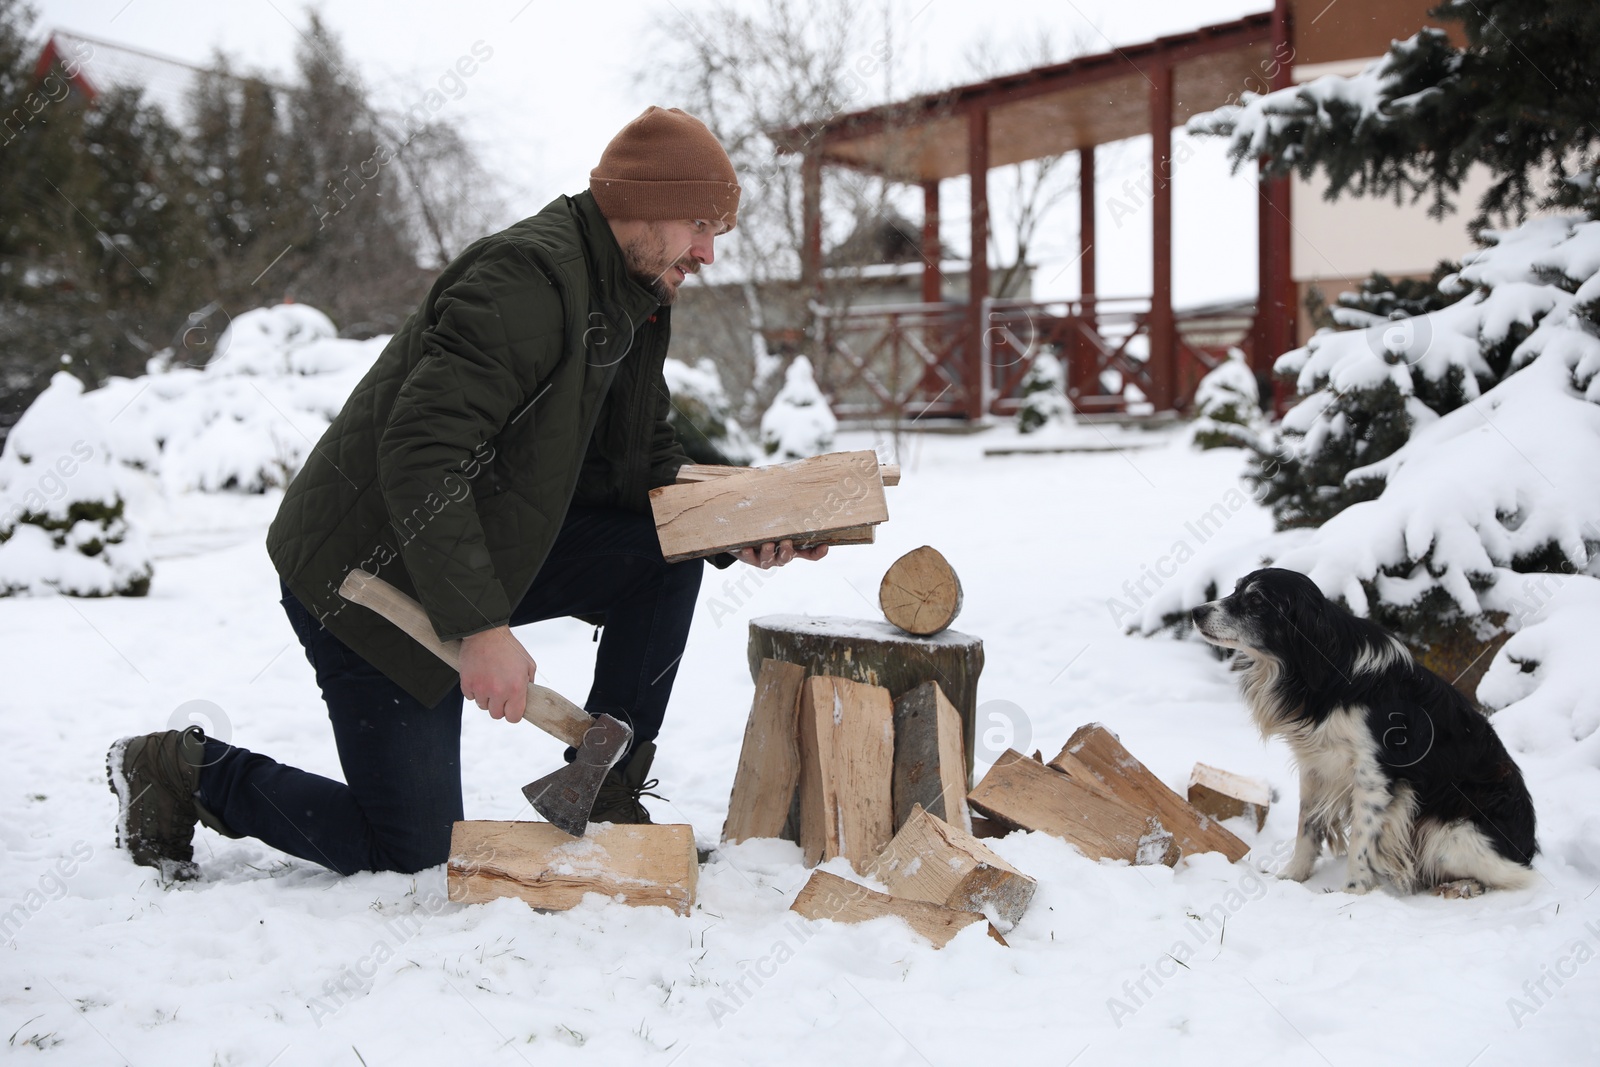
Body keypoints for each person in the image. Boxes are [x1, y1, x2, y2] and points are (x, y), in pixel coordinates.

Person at [106, 106, 825, 880]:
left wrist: (739, 520)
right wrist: (481, 628)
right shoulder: (525, 279)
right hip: (364, 571)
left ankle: (602, 787)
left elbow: (641, 462)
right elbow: (420, 453)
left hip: (471, 546)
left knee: (667, 555)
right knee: (409, 850)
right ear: (645, 203)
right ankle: (183, 769)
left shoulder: (634, 300)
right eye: (700, 224)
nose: (710, 252)